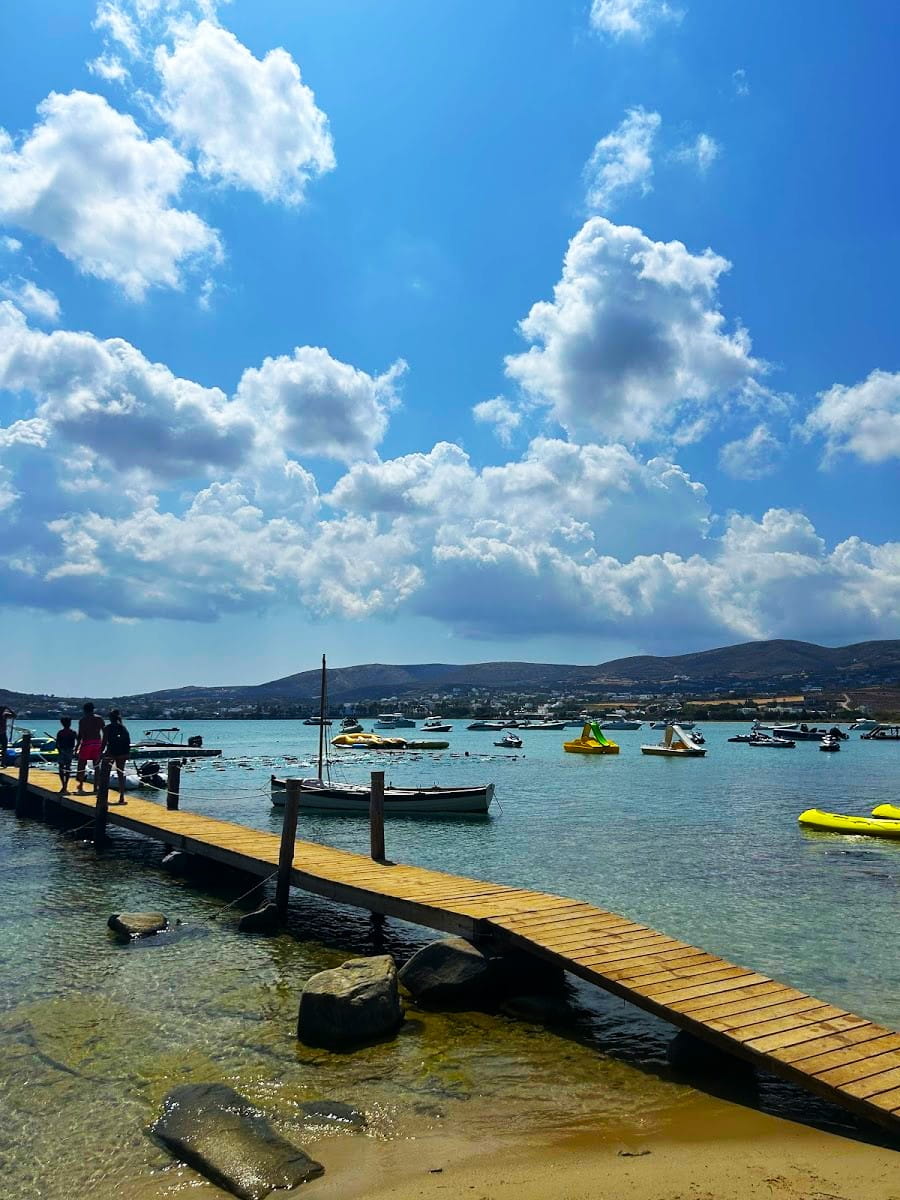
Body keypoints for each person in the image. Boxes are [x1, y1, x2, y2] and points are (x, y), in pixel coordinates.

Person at [101, 709, 131, 805]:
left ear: (110, 718)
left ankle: (103, 796)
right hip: (122, 752)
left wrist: (100, 754)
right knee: (120, 774)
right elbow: (127, 741)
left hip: (111, 752)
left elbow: (104, 743)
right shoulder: (123, 727)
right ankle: (121, 796)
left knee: (105, 774)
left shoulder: (107, 728)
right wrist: (127, 753)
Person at [75, 702, 105, 794]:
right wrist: (104, 744)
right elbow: (105, 732)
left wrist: (76, 747)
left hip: (87, 743)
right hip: (97, 743)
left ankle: (80, 786)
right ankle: (96, 787)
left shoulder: (83, 720)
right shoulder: (99, 719)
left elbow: (80, 735)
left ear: (84, 710)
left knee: (81, 765)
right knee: (96, 766)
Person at [55, 716, 77, 794]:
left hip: (63, 751)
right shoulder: (73, 732)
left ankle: (64, 786)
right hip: (68, 751)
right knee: (67, 768)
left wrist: (59, 750)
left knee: (62, 768)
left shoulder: (60, 732)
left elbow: (57, 744)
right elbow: (78, 741)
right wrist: (76, 750)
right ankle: (65, 786)